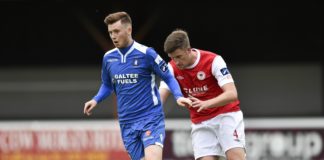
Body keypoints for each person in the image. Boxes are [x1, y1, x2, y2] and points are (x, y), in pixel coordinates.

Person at [83, 12, 191, 160]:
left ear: (129, 30)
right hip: (127, 122)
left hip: (150, 118)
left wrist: (178, 96)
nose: (113, 36)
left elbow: (168, 76)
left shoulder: (147, 54)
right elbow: (107, 85)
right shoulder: (108, 58)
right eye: (110, 32)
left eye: (116, 31)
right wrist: (95, 100)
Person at [159, 29, 246, 160]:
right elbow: (160, 97)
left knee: (235, 157)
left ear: (188, 50)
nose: (176, 62)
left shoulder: (214, 60)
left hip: (226, 115)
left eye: (179, 57)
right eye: (172, 58)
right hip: (200, 122)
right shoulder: (170, 68)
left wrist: (206, 104)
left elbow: (232, 94)